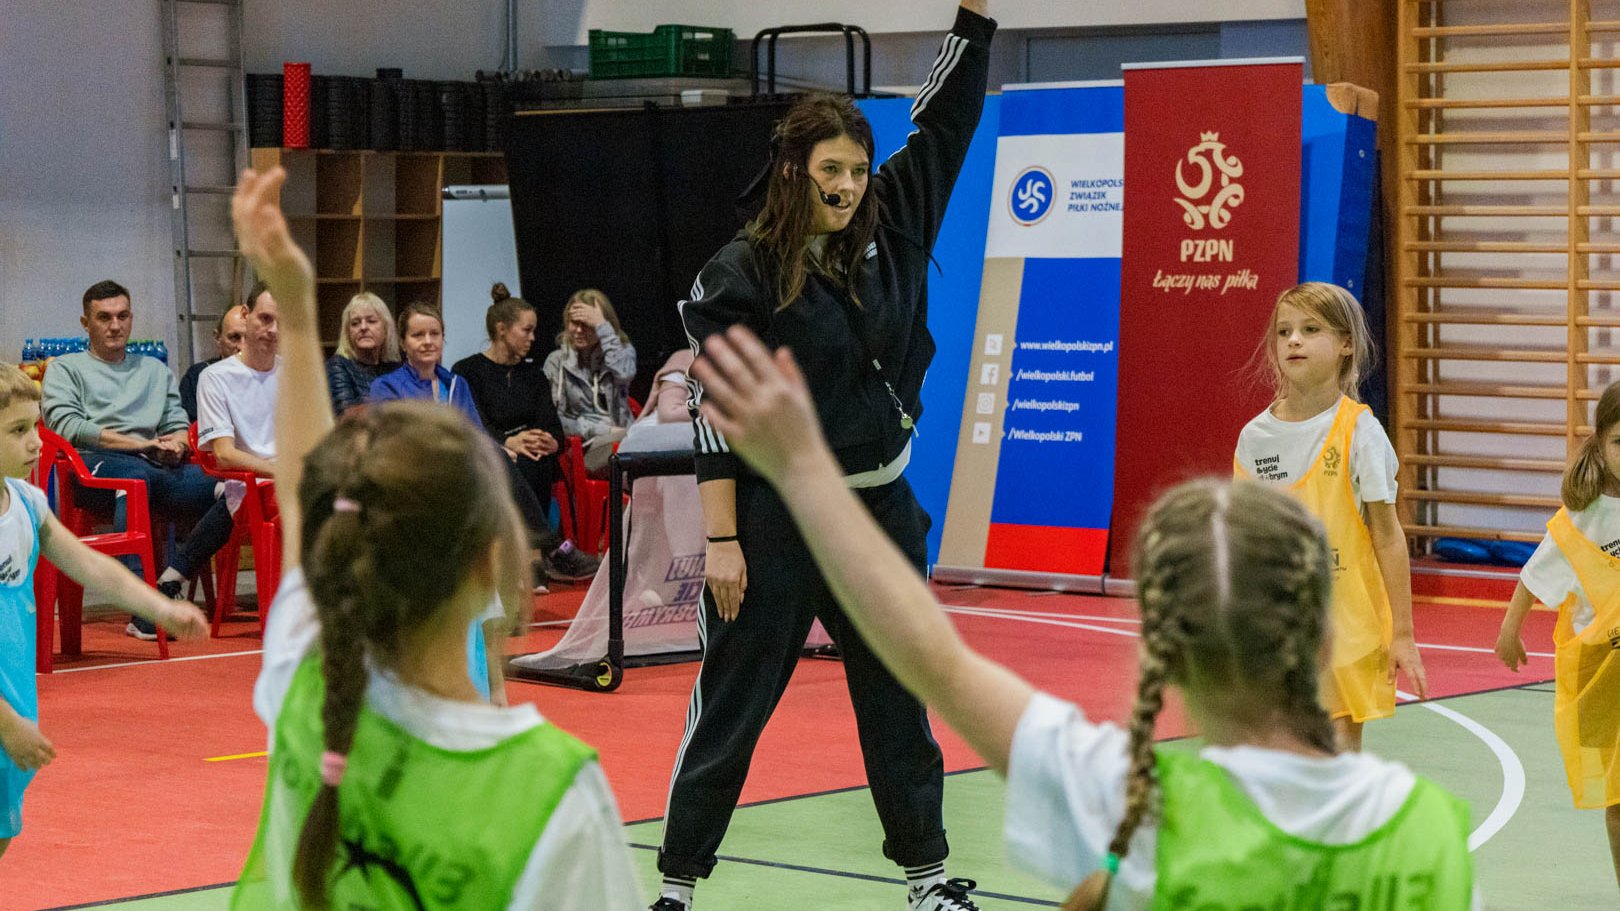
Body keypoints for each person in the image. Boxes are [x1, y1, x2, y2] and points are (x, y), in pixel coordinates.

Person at [685, 325, 1478, 911]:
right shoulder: (1427, 832)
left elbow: (933, 656)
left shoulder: (1126, 800)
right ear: (1324, 630)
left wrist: (807, 472)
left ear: (1164, 654)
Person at [655, 5, 994, 910]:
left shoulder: (899, 213)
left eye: (853, 169)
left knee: (897, 698)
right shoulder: (737, 275)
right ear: (794, 172)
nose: (845, 186)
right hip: (773, 519)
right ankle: (677, 885)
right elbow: (715, 412)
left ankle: (928, 879)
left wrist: (977, 18)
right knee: (732, 707)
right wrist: (723, 540)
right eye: (828, 170)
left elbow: (950, 114)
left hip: (878, 512)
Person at [228, 165, 640, 909]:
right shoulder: (550, 788)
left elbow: (301, 492)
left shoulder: (305, 683)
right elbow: (306, 496)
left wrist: (293, 304)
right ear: (493, 560)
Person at [0, 364, 206, 860]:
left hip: (16, 700)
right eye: (18, 431)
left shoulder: (28, 504)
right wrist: (5, 723)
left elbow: (95, 566)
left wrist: (160, 607)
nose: (35, 445)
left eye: (37, 428)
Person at [1233, 282, 1428, 751]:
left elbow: (1387, 536)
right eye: (1284, 332)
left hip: (1349, 625)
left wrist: (1402, 632)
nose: (1293, 340)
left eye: (1310, 329)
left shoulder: (1360, 431)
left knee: (1337, 754)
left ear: (1345, 344)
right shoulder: (1255, 439)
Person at [41, 280, 240, 640]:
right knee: (135, 481)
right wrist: (139, 445)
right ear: (86, 323)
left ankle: (171, 578)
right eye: (104, 317)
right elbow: (68, 427)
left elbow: (178, 424)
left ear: (131, 318)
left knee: (236, 490)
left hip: (157, 465)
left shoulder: (154, 371)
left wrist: (178, 445)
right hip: (93, 469)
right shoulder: (65, 369)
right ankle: (144, 612)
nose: (115, 325)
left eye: (122, 316)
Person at [1496, 380, 1620, 890]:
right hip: (1602, 675)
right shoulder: (1584, 516)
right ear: (1600, 444)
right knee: (1617, 802)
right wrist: (1509, 631)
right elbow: (1533, 575)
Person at [453, 284, 599, 584]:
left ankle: (533, 560)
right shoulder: (468, 370)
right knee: (514, 462)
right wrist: (507, 442)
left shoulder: (533, 375)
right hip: (491, 452)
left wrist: (549, 440)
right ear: (502, 329)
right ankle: (548, 549)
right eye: (526, 330)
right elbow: (472, 420)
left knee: (536, 459)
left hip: (533, 456)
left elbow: (554, 427)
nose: (533, 339)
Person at [543, 288, 636, 475]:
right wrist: (603, 430)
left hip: (622, 440)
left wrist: (602, 326)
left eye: (586, 324)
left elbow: (625, 372)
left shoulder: (621, 350)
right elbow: (554, 419)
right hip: (582, 447)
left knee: (645, 442)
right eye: (573, 323)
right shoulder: (556, 361)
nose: (578, 330)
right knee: (628, 443)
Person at [197, 282, 280, 477]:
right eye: (265, 318)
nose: (274, 330)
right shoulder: (215, 377)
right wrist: (282, 473)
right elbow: (224, 455)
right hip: (248, 486)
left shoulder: (293, 373)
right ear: (245, 314)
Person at [369, 303, 481, 426]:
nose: (428, 341)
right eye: (418, 335)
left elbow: (477, 436)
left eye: (434, 334)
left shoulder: (457, 384)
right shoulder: (386, 386)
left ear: (443, 338)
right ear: (402, 342)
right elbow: (387, 439)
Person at [324, 291, 401, 418]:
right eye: (355, 323)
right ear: (348, 332)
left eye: (371, 321)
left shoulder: (396, 366)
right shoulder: (338, 366)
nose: (363, 327)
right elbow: (347, 418)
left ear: (386, 328)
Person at [180, 305, 248, 422]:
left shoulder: (268, 376)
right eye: (234, 338)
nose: (242, 346)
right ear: (218, 338)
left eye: (248, 338)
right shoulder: (197, 377)